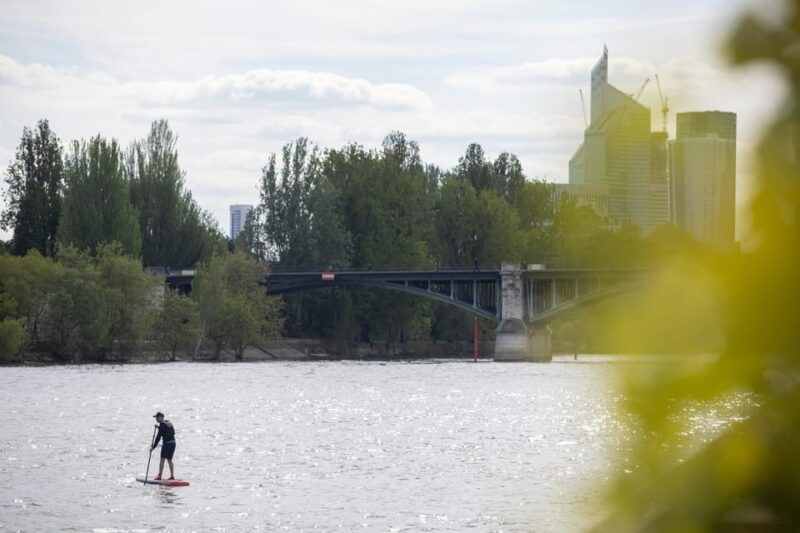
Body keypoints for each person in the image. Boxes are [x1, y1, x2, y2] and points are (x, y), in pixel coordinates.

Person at [151, 412, 177, 480]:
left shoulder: (162, 426)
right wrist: (158, 427)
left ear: (161, 417)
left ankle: (159, 476)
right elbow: (165, 429)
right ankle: (172, 476)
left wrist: (153, 447)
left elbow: (158, 438)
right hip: (173, 443)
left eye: (157, 417)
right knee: (169, 460)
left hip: (167, 444)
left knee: (162, 459)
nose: (156, 419)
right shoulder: (168, 422)